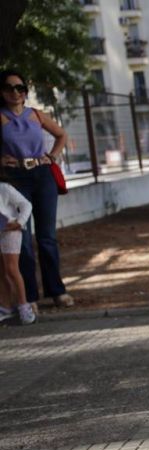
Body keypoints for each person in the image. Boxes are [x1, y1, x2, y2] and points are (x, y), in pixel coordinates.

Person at [0, 70, 73, 310]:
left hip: (42, 177)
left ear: (25, 91)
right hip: (14, 179)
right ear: (2, 92)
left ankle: (57, 291)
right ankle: (29, 297)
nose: (15, 92)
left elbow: (61, 135)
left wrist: (51, 157)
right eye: (10, 88)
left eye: (20, 88)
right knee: (22, 239)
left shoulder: (37, 115)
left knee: (47, 237)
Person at [0, 178, 34, 324]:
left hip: (10, 231)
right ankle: (5, 308)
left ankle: (24, 307)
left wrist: (20, 222)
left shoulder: (4, 188)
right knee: (1, 272)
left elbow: (26, 204)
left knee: (11, 269)